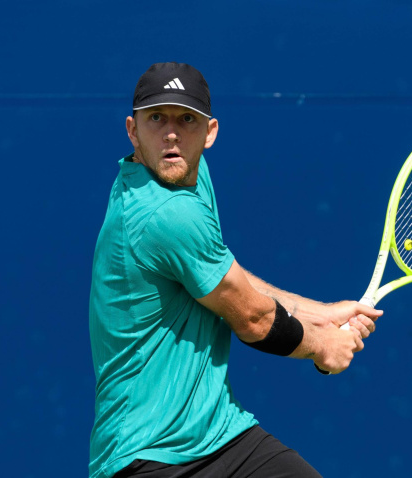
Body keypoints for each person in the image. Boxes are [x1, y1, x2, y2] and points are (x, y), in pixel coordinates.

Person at [88, 62, 383, 478]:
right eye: (156, 118)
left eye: (186, 120)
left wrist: (320, 313)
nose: (171, 134)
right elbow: (253, 318)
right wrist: (323, 346)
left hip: (218, 434)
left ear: (209, 132)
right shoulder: (164, 213)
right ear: (132, 130)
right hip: (148, 454)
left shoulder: (188, 177)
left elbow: (226, 277)